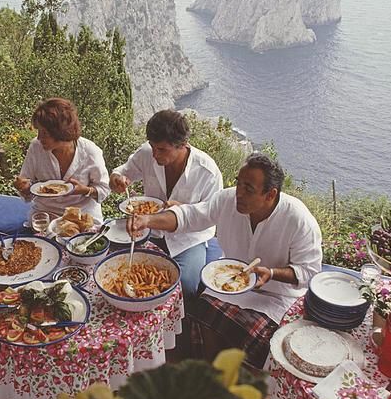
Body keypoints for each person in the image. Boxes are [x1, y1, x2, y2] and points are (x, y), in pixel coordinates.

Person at [129, 153, 322, 369]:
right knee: (201, 311)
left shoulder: (298, 220)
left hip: (275, 297)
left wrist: (272, 273)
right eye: (238, 183)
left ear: (270, 195)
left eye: (249, 189)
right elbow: (190, 216)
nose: (239, 193)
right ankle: (211, 370)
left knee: (256, 334)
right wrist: (147, 220)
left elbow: (310, 272)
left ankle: (237, 375)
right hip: (227, 281)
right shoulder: (227, 200)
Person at [110, 110, 222, 298]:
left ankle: (181, 325)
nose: (154, 154)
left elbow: (210, 217)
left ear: (183, 145)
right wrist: (117, 179)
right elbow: (123, 171)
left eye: (161, 149)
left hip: (188, 239)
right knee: (122, 270)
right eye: (152, 147)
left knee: (185, 284)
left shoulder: (207, 172)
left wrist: (181, 211)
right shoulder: (147, 153)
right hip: (150, 231)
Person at [13, 98, 110, 222]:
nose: (38, 138)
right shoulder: (36, 147)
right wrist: (24, 188)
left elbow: (104, 190)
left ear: (60, 132)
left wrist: (84, 190)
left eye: (44, 133)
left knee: (78, 240)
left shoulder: (90, 152)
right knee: (41, 240)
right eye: (38, 131)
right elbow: (27, 186)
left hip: (82, 216)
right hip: (46, 214)